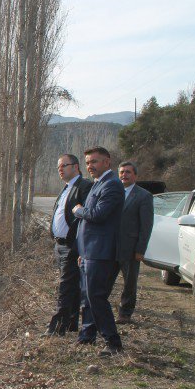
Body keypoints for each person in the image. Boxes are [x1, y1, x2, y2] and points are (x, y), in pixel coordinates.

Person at [73, 146, 125, 356]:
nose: (90, 166)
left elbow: (98, 214)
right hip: (89, 252)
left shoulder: (112, 185)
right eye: (87, 163)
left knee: (96, 297)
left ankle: (113, 342)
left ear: (107, 162)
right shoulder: (98, 184)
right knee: (87, 296)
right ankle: (87, 335)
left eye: (94, 161)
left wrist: (79, 211)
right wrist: (82, 252)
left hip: (101, 252)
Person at [44, 154, 93, 336]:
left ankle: (57, 328)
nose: (61, 169)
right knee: (70, 287)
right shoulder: (66, 188)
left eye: (64, 165)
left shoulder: (84, 187)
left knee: (65, 287)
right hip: (60, 246)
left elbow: (86, 216)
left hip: (72, 246)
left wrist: (79, 243)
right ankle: (71, 322)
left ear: (76, 167)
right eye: (59, 167)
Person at [113, 161, 154, 324]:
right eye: (122, 172)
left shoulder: (143, 196)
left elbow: (146, 225)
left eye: (128, 172)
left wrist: (140, 249)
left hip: (130, 248)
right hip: (110, 246)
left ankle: (125, 312)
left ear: (135, 175)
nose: (124, 175)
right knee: (105, 279)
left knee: (129, 282)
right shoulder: (113, 192)